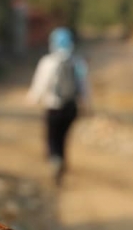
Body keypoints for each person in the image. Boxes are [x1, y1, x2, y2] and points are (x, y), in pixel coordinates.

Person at [27, 27, 90, 186]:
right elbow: (84, 86)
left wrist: (34, 99)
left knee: (52, 137)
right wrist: (87, 104)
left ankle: (55, 160)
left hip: (53, 107)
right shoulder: (77, 62)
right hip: (71, 108)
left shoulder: (48, 62)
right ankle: (61, 160)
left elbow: (40, 84)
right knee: (63, 137)